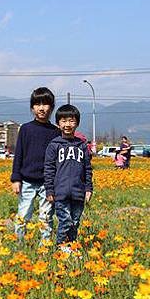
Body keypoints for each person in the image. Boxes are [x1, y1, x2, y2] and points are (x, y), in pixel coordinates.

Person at [11, 87, 61, 244]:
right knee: (23, 215)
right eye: (37, 104)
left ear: (51, 107)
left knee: (46, 217)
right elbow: (18, 154)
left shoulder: (56, 132)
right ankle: (19, 246)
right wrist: (15, 178)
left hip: (48, 183)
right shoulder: (26, 129)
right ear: (32, 108)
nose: (42, 108)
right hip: (27, 181)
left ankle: (44, 247)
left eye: (46, 104)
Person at [44, 104, 93, 250]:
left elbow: (88, 168)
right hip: (61, 192)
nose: (67, 124)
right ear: (58, 123)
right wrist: (49, 190)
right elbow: (49, 169)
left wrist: (88, 188)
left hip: (78, 192)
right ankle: (61, 248)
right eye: (64, 121)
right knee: (65, 221)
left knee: (76, 222)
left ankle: (72, 247)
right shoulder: (54, 145)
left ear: (77, 123)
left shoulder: (82, 146)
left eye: (71, 121)